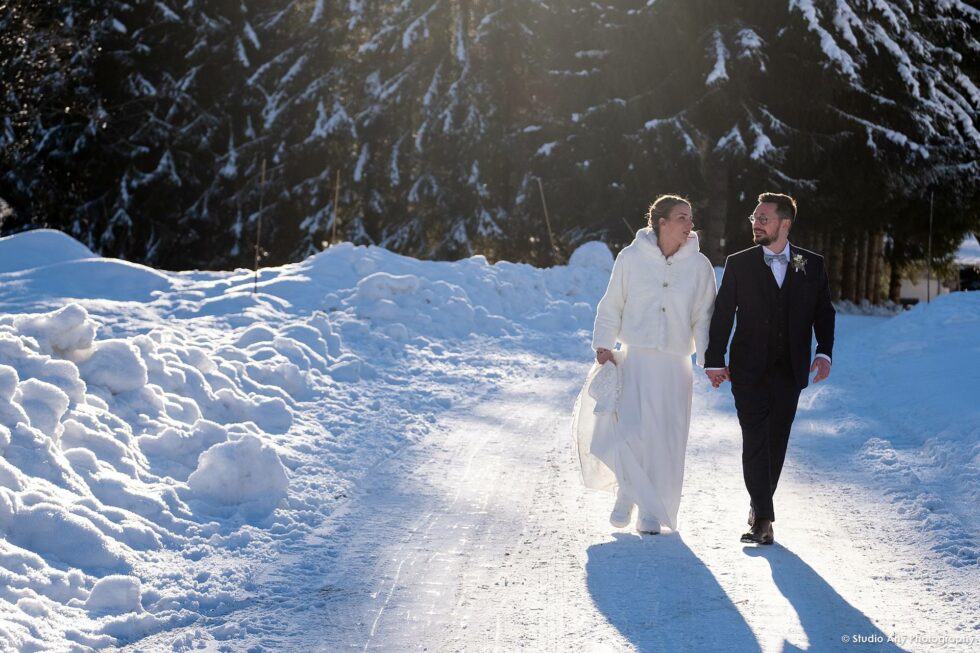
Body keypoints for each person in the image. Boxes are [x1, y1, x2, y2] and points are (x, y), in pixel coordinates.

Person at [572, 194, 717, 534]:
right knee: (630, 429)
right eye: (682, 217)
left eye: (691, 218)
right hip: (635, 358)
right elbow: (612, 304)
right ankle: (626, 492)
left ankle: (652, 509)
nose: (689, 224)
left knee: (665, 437)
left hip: (675, 364)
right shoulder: (631, 257)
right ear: (661, 222)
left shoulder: (700, 267)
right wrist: (604, 345)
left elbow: (705, 319)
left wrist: (711, 362)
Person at [705, 192, 836, 545]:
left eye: (764, 217)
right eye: (754, 218)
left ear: (784, 224)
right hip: (747, 369)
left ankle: (758, 503)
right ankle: (763, 517)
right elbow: (722, 314)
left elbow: (824, 312)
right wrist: (714, 359)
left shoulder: (811, 264)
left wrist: (823, 353)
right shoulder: (739, 263)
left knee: (776, 440)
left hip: (790, 370)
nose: (756, 223)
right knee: (754, 439)